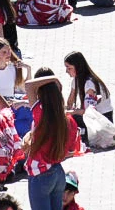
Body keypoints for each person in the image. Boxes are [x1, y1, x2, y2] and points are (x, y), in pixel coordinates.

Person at [20, 75, 81, 210]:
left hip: (40, 174)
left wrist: (53, 78)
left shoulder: (40, 115)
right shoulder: (67, 119)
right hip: (57, 172)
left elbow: (29, 85)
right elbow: (71, 150)